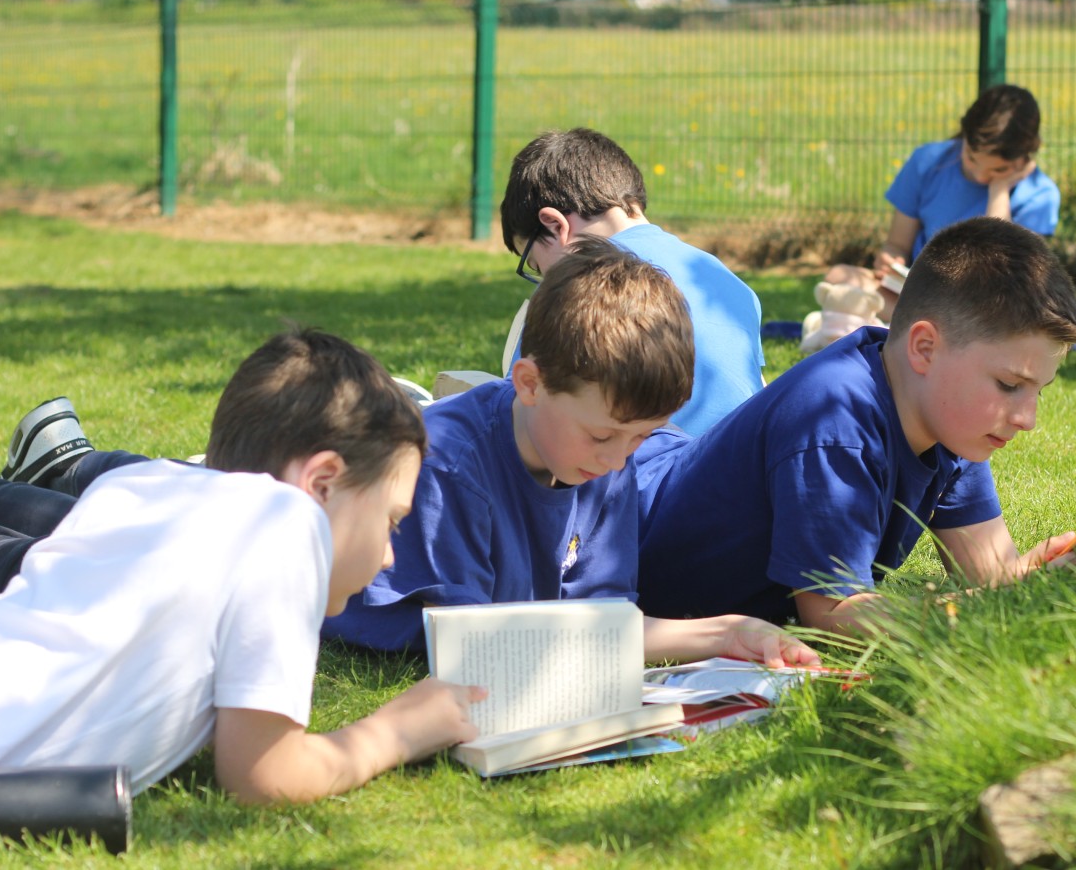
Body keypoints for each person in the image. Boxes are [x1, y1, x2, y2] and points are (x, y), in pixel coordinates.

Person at [0, 329, 483, 803]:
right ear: (322, 482)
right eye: (392, 519)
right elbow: (266, 775)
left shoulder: (150, 483)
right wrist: (398, 731)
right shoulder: (288, 524)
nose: (388, 554)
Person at [323, 238, 818, 667]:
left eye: (642, 438)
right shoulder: (449, 464)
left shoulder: (602, 459)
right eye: (603, 436)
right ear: (531, 384)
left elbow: (604, 623)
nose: (620, 461)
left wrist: (727, 633)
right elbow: (478, 643)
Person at [633, 217, 1076, 634]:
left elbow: (990, 575)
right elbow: (834, 614)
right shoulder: (834, 421)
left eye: (1039, 390)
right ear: (925, 348)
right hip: (614, 515)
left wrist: (1039, 572)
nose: (1027, 418)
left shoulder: (952, 421)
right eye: (1009, 384)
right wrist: (973, 608)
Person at [500, 127, 765, 436]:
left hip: (651, 475)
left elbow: (518, 413)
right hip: (748, 467)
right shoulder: (720, 276)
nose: (543, 278)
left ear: (555, 224)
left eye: (533, 264)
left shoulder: (578, 288)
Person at [823, 84, 1060, 320]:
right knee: (838, 277)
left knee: (1003, 320)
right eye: (971, 158)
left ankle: (911, 326)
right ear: (964, 136)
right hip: (920, 294)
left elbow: (1000, 281)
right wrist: (890, 259)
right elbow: (897, 244)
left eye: (999, 169)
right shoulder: (929, 161)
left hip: (986, 309)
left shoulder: (1039, 196)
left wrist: (999, 192)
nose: (980, 176)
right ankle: (930, 329)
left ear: (1026, 155)